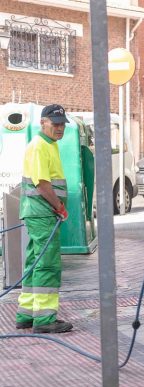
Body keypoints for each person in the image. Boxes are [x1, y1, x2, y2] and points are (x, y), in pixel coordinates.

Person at [15, 104, 74, 334]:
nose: (60, 128)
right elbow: (42, 183)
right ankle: (44, 319)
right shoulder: (39, 146)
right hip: (43, 213)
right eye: (55, 124)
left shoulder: (48, 145)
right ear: (43, 122)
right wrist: (59, 207)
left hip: (39, 212)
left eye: (62, 124)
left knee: (35, 261)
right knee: (47, 264)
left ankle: (27, 314)